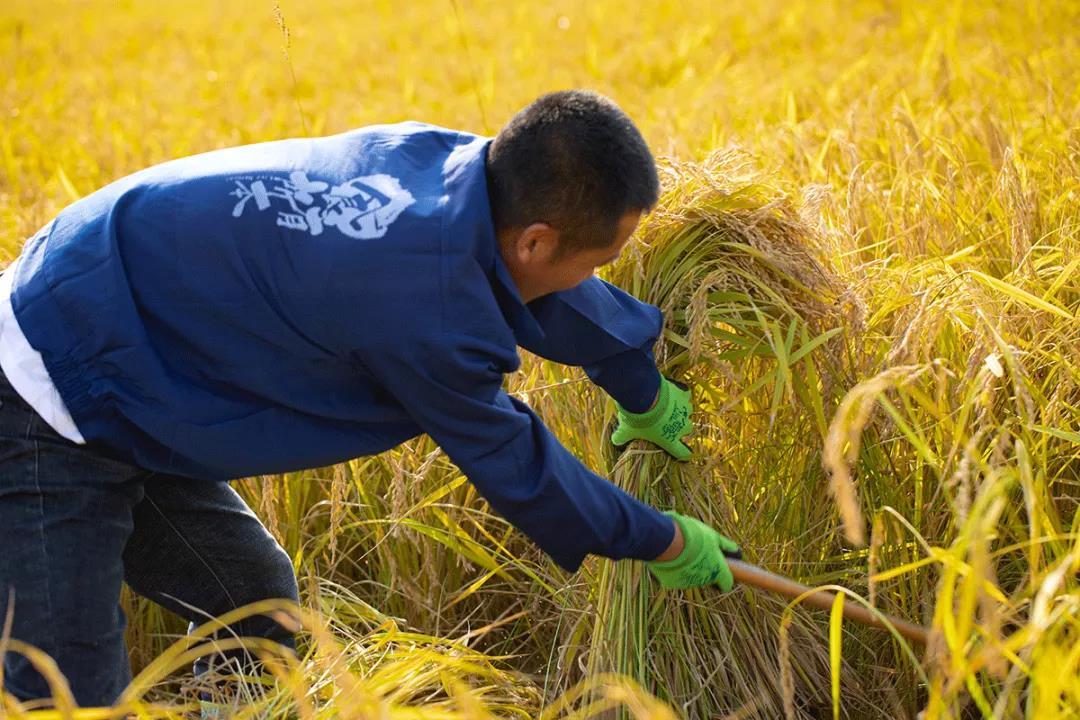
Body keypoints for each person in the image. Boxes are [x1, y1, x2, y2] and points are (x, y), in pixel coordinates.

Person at [0, 90, 741, 708]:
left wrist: (639, 388)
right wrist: (661, 539)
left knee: (255, 602)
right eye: (598, 262)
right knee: (65, 694)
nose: (594, 277)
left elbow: (523, 285)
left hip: (129, 346)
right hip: (48, 384)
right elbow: (518, 465)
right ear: (541, 241)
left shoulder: (453, 171)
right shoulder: (422, 302)